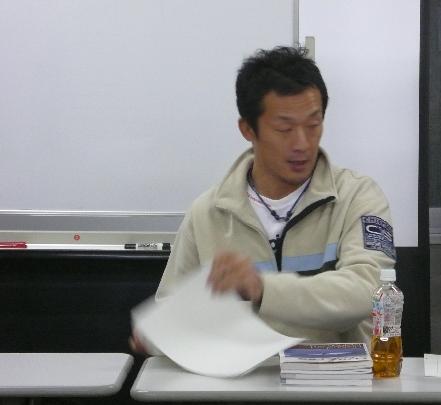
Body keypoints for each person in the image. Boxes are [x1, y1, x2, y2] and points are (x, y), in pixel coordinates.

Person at [138, 46, 396, 348]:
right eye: (284, 128)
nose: (302, 143)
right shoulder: (208, 214)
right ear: (248, 129)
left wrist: (263, 289)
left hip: (337, 376)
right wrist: (157, 336)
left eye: (313, 125)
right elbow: (171, 314)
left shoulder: (357, 197)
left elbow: (369, 291)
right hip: (241, 377)